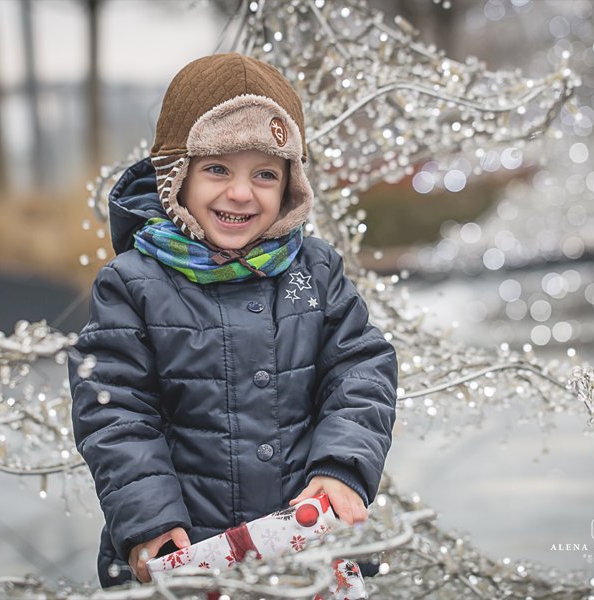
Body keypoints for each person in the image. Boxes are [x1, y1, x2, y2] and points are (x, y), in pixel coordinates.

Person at [69, 52, 397, 588]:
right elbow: (114, 410)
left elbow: (361, 371)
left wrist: (341, 468)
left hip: (307, 546)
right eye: (217, 168)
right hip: (191, 551)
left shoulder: (314, 271)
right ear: (177, 176)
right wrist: (149, 518)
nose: (241, 193)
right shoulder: (133, 284)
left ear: (290, 186)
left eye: (264, 174)